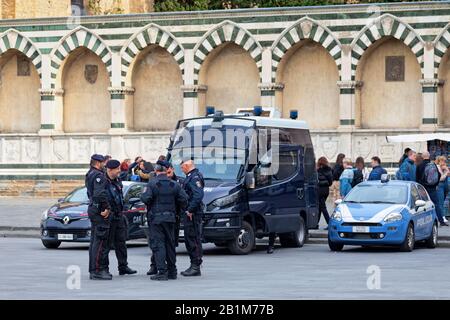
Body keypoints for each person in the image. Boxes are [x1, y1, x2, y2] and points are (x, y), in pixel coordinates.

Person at [140, 164, 188, 281]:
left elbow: (146, 199)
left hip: (156, 220)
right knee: (170, 244)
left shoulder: (152, 184)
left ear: (156, 171)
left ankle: (162, 272)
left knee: (158, 245)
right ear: (166, 171)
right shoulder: (174, 184)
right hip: (171, 219)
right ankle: (172, 271)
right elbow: (184, 199)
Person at [105, 160, 137, 276]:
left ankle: (123, 266)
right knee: (106, 245)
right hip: (109, 216)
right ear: (110, 170)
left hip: (119, 215)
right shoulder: (103, 181)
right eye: (117, 169)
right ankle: (105, 269)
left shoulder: (118, 180)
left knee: (121, 243)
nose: (119, 171)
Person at [85, 154, 112, 280]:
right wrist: (106, 208)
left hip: (93, 208)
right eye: (103, 162)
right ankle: (97, 270)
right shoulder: (99, 175)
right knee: (100, 242)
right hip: (98, 210)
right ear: (98, 162)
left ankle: (94, 269)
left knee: (95, 241)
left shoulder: (89, 173)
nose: (104, 164)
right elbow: (99, 193)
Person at [180, 159, 205, 277]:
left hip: (193, 214)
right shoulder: (192, 176)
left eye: (182, 167)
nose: (182, 170)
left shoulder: (194, 177)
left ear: (186, 166)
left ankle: (195, 266)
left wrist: (190, 209)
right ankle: (194, 265)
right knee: (191, 238)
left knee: (193, 239)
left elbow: (198, 195)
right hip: (191, 213)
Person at [416, 151, 447, 227]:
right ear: (429, 156)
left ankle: (423, 222)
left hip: (423, 189)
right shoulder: (433, 165)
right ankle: (441, 221)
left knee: (422, 206)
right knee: (436, 205)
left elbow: (416, 179)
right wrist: (435, 185)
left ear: (422, 157)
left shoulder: (419, 165)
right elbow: (439, 175)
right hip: (432, 188)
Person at [317, 157, 333, 230]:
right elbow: (330, 182)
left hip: (319, 190)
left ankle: (329, 224)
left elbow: (316, 181)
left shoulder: (317, 171)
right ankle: (315, 224)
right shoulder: (329, 170)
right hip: (326, 190)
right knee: (320, 207)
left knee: (322, 207)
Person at [436, 156, 449, 224]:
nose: (444, 163)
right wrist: (446, 171)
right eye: (443, 161)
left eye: (445, 161)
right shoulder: (437, 167)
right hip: (440, 186)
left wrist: (446, 171)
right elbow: (441, 178)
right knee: (440, 202)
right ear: (439, 161)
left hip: (445, 186)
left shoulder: (444, 168)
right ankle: (442, 216)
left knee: (442, 201)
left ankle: (439, 215)